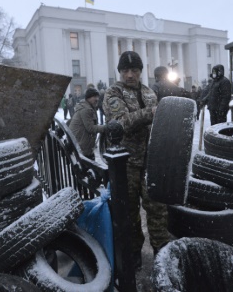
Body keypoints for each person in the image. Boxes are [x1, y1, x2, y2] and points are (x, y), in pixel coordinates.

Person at [103, 51, 171, 270]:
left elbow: (160, 122)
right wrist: (149, 113)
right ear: (120, 72)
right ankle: (133, 253)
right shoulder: (114, 92)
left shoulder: (149, 92)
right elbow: (121, 122)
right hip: (127, 163)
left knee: (157, 207)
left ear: (141, 71)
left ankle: (162, 250)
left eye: (134, 70)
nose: (129, 75)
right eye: (125, 71)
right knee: (130, 212)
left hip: (151, 161)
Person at [68, 87, 107, 160]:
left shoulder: (88, 107)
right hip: (82, 146)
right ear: (88, 98)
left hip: (81, 145)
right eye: (94, 97)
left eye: (97, 97)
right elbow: (90, 128)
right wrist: (106, 127)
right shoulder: (86, 109)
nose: (97, 99)